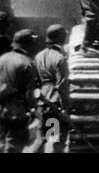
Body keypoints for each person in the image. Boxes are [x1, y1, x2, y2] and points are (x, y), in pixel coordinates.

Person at [0, 29, 38, 152]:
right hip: (17, 111)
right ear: (28, 44)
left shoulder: (2, 58)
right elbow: (30, 92)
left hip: (2, 109)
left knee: (2, 143)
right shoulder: (27, 62)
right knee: (14, 146)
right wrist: (31, 110)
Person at [35, 24, 69, 153]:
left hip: (43, 100)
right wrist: (65, 108)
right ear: (61, 38)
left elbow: (36, 81)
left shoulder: (38, 56)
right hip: (55, 103)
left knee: (44, 137)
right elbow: (62, 85)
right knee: (55, 141)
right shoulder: (60, 58)